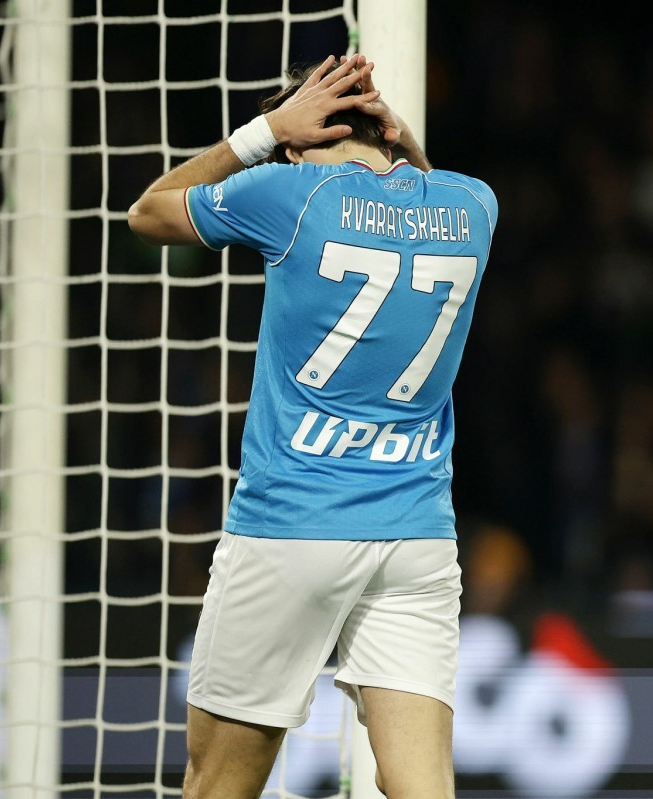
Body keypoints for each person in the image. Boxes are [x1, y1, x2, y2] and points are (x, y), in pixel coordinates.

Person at [129, 53, 497, 799]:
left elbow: (148, 212)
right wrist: (399, 136)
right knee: (424, 788)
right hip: (415, 540)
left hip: (291, 527)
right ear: (384, 129)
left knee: (217, 784)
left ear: (301, 141)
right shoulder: (473, 207)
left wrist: (264, 132)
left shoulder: (291, 192)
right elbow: (420, 186)